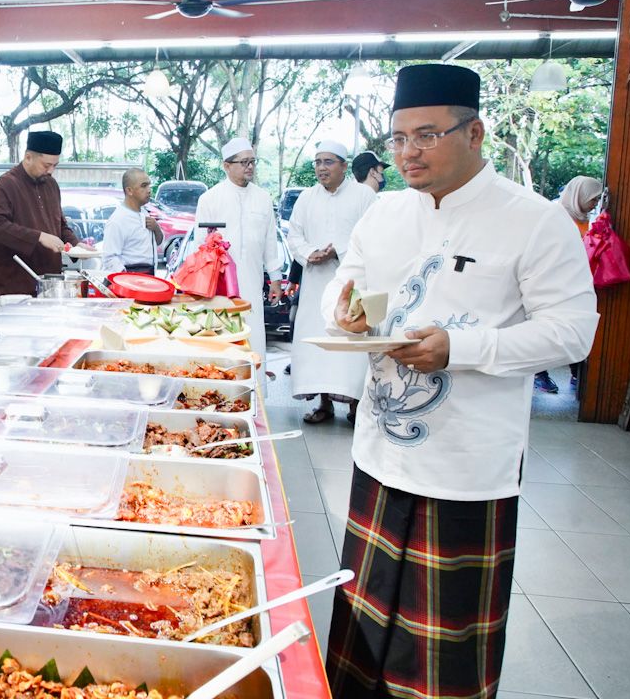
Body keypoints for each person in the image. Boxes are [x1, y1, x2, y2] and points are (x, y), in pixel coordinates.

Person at [321, 64, 598, 699]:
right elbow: (352, 279)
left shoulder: (532, 219)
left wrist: (463, 348)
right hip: (381, 450)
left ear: (475, 133)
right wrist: (346, 305)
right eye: (397, 138)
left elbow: (572, 332)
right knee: (359, 635)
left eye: (426, 135)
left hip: (468, 466)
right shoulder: (386, 212)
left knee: (442, 648)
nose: (407, 153)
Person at [288, 140, 377, 424]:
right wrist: (309, 253)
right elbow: (294, 235)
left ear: (344, 166)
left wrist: (336, 250)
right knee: (318, 343)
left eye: (328, 162)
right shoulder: (307, 197)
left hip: (354, 280)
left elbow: (374, 235)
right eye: (317, 162)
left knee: (351, 343)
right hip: (315, 282)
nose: (321, 168)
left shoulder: (364, 195)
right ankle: (324, 404)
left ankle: (355, 407)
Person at [193, 137, 282, 365]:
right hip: (219, 286)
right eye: (244, 162)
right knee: (222, 341)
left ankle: (254, 391)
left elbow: (270, 241)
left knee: (253, 337)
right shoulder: (209, 199)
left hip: (252, 281)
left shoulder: (263, 198)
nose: (250, 166)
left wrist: (275, 279)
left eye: (253, 161)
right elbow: (199, 246)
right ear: (226, 165)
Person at [0, 130, 81, 297]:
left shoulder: (51, 184)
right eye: (46, 165)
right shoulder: (5, 185)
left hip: (50, 283)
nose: (51, 171)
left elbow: (60, 225)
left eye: (55, 165)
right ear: (28, 157)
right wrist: (39, 237)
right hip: (14, 286)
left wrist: (76, 245)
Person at [532, 174, 603, 393]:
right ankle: (539, 375)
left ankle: (575, 376)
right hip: (548, 284)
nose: (594, 204)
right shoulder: (555, 217)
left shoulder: (588, 219)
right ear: (579, 195)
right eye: (593, 198)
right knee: (541, 329)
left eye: (597, 199)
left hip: (577, 282)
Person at [101, 168, 163, 275]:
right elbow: (109, 258)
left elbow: (156, 243)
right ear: (129, 190)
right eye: (144, 186)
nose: (149, 190)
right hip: (129, 282)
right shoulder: (117, 220)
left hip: (148, 277)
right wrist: (127, 280)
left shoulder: (144, 213)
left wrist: (156, 228)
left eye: (149, 185)